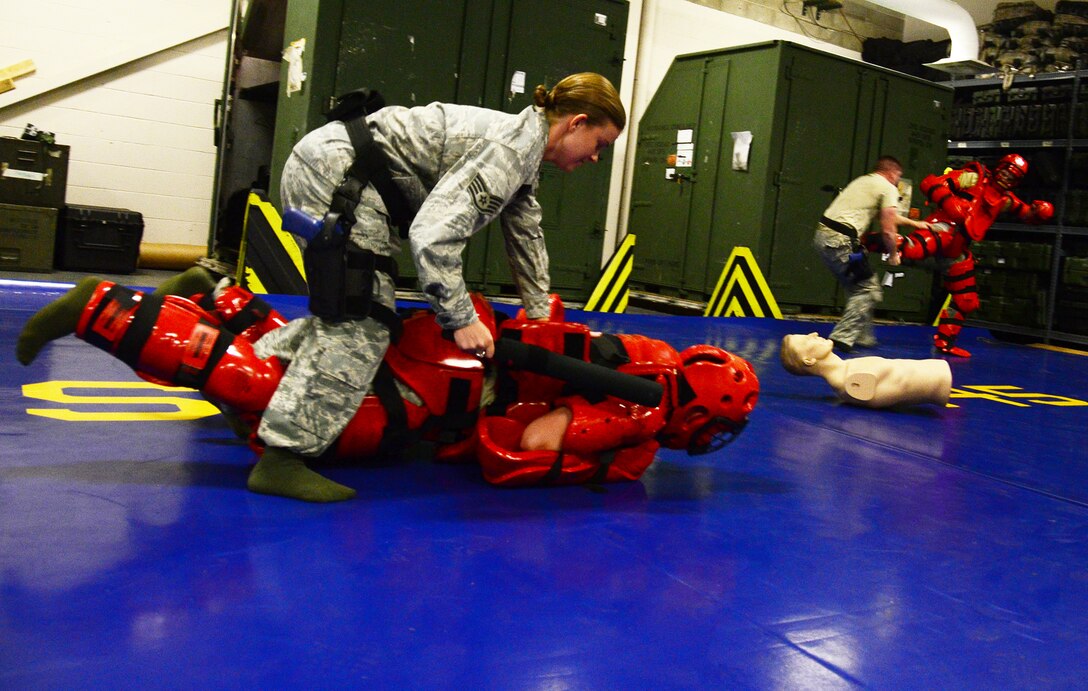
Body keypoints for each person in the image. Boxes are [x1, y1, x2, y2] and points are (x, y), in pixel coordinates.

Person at [16, 270, 760, 501]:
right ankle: (99, 309)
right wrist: (621, 435)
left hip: (451, 355)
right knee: (281, 396)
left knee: (301, 356)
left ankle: (212, 293)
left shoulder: (642, 353)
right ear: (700, 408)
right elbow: (527, 442)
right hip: (445, 387)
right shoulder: (631, 403)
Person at [234, 73, 627, 497]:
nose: (595, 159)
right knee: (361, 320)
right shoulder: (510, 151)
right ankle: (283, 457)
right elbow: (433, 234)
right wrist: (460, 318)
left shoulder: (524, 150)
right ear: (575, 123)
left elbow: (525, 232)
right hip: (337, 176)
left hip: (347, 177)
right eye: (600, 144)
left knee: (358, 314)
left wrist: (540, 313)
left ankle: (235, 362)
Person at [862, 153, 1054, 357]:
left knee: (966, 299)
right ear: (999, 167)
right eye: (1006, 171)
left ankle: (945, 342)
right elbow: (930, 183)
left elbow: (1025, 213)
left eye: (1013, 176)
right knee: (909, 247)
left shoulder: (1004, 200)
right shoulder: (972, 177)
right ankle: (862, 242)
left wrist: (1039, 213)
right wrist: (948, 201)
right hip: (942, 229)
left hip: (957, 250)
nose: (1007, 177)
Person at [813, 155, 931, 353]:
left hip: (823, 237)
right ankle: (841, 338)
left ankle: (863, 336)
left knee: (856, 286)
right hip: (842, 241)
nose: (898, 180)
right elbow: (888, 229)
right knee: (868, 289)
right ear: (892, 172)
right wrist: (894, 254)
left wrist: (916, 224)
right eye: (898, 175)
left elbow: (885, 215)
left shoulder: (863, 181)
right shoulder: (888, 188)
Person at [780, 332, 952, 408]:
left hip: (939, 377)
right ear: (809, 360)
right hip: (941, 384)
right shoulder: (849, 383)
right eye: (807, 340)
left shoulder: (847, 372)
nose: (814, 334)